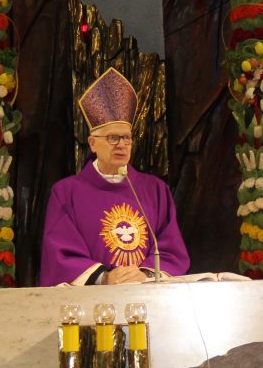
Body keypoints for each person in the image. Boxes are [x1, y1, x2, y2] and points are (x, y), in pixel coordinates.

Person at [40, 67, 190, 286]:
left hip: (146, 294)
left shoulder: (155, 190)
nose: (121, 145)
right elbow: (61, 254)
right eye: (113, 138)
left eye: (126, 138)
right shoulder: (66, 192)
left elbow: (171, 250)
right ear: (93, 143)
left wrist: (144, 274)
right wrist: (104, 277)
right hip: (93, 299)